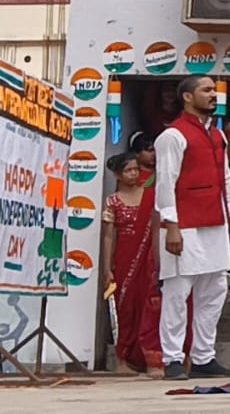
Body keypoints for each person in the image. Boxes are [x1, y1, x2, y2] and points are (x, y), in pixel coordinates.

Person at [154, 75, 230, 380]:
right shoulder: (173, 136)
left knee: (215, 289)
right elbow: (165, 184)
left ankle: (204, 357)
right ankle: (173, 358)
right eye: (206, 90)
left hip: (214, 222)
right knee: (178, 292)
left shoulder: (217, 135)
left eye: (214, 90)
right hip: (185, 223)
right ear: (188, 97)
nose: (213, 95)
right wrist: (172, 226)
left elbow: (226, 179)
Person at [100, 152, 162, 373]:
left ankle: (150, 357)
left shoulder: (151, 197)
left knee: (148, 304)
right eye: (128, 170)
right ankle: (123, 360)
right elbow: (109, 236)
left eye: (136, 169)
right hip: (124, 258)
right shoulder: (113, 201)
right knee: (124, 308)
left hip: (148, 259)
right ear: (117, 175)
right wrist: (107, 268)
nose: (134, 174)